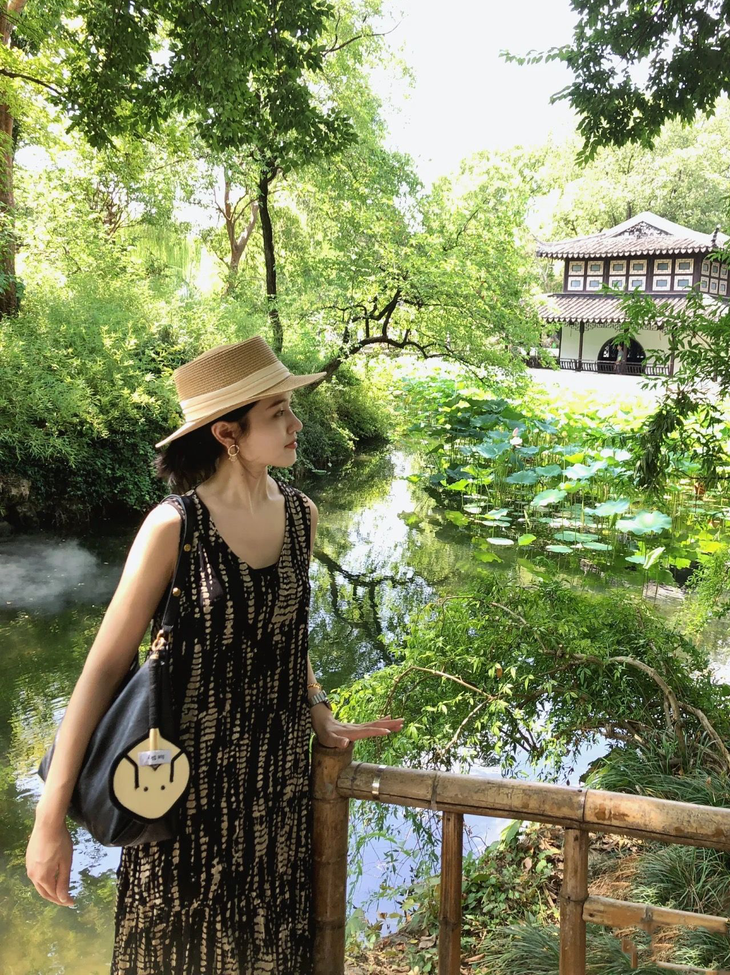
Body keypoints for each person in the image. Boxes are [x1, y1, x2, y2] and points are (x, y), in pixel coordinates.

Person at [25, 335, 404, 974]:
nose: (297, 423)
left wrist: (318, 709)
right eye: (278, 411)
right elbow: (103, 670)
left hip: (276, 784)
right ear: (228, 434)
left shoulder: (302, 515)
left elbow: (286, 632)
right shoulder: (174, 526)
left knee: (267, 949)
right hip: (178, 789)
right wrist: (49, 815)